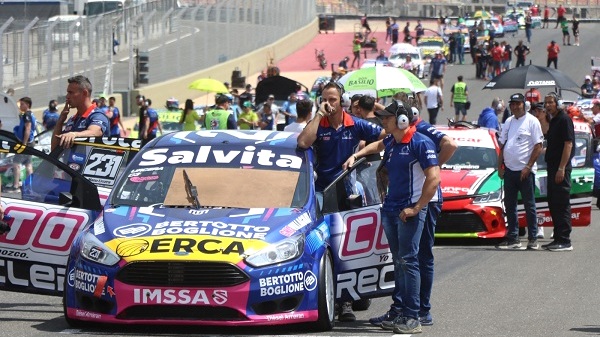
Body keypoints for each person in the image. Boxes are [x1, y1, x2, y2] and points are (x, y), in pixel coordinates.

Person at [347, 101, 440, 334]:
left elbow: (434, 178)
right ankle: (399, 311)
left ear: (402, 120)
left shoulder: (420, 142)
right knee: (399, 262)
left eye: (387, 118)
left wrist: (417, 208)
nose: (382, 121)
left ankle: (413, 316)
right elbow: (377, 144)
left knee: (408, 261)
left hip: (408, 211)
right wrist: (356, 155)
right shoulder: (392, 141)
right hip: (391, 210)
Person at [297, 81, 384, 322]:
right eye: (325, 98)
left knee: (345, 247)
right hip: (322, 193)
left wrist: (359, 154)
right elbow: (303, 143)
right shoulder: (319, 124)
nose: (329, 103)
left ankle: (346, 303)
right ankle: (326, 299)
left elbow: (386, 136)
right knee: (324, 245)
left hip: (348, 192)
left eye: (333, 99)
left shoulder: (354, 124)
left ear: (341, 100)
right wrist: (318, 115)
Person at [496, 93, 544, 250]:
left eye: (518, 104)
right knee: (510, 205)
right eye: (513, 104)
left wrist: (528, 166)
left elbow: (538, 146)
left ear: (525, 104)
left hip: (525, 171)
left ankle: (533, 239)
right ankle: (513, 238)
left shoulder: (532, 121)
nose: (515, 107)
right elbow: (502, 145)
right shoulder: (508, 122)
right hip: (509, 171)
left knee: (529, 206)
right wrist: (499, 166)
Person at [542, 92, 575, 251]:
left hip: (561, 169)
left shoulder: (564, 119)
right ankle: (557, 238)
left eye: (550, 102)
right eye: (546, 103)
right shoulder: (554, 120)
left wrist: (562, 168)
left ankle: (565, 240)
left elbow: (568, 144)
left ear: (557, 103)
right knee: (553, 203)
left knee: (561, 204)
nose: (548, 105)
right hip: (552, 167)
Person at [52, 75, 110, 151]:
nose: (67, 96)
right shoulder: (72, 120)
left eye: (71, 92)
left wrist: (74, 134)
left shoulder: (98, 116)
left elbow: (95, 132)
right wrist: (60, 121)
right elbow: (54, 149)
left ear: (84, 93)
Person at [8, 97, 36, 193]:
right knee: (28, 164)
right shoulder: (30, 114)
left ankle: (16, 186)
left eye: (22, 104)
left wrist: (23, 144)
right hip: (30, 143)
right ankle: (30, 186)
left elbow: (28, 129)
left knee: (16, 164)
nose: (21, 106)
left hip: (26, 143)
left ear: (28, 105)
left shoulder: (27, 115)